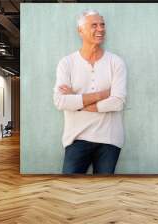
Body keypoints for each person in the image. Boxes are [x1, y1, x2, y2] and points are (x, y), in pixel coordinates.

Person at [53, 9, 127, 174]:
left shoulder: (116, 62)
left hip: (110, 139)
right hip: (77, 138)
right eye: (94, 25)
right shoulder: (67, 63)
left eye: (102, 25)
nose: (100, 29)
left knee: (104, 192)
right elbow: (60, 101)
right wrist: (103, 94)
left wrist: (77, 100)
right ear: (80, 30)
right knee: (70, 190)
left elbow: (118, 102)